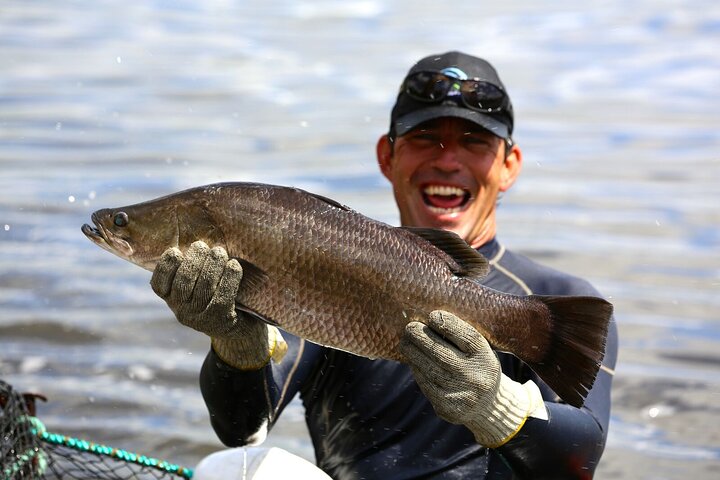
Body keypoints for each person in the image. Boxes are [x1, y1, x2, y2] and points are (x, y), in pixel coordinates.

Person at [150, 51, 618, 479]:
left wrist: (497, 405)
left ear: (510, 165)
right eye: (425, 138)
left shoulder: (555, 304)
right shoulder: (322, 260)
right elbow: (243, 433)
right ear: (387, 157)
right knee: (231, 470)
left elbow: (577, 465)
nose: (448, 160)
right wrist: (237, 345)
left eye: (474, 142)